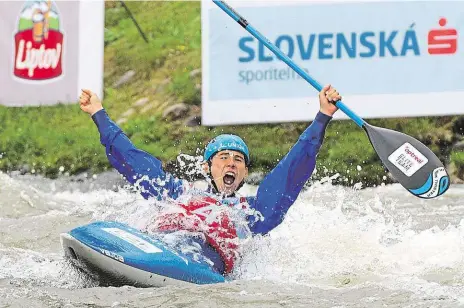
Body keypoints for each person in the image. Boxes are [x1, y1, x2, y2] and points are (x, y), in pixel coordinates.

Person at [79, 85, 341, 275]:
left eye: (238, 160)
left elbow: (291, 172)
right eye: (223, 157)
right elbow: (135, 163)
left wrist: (322, 117)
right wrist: (99, 114)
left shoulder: (253, 213)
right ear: (207, 166)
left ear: (245, 173)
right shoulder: (179, 193)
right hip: (158, 245)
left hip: (197, 264)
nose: (231, 163)